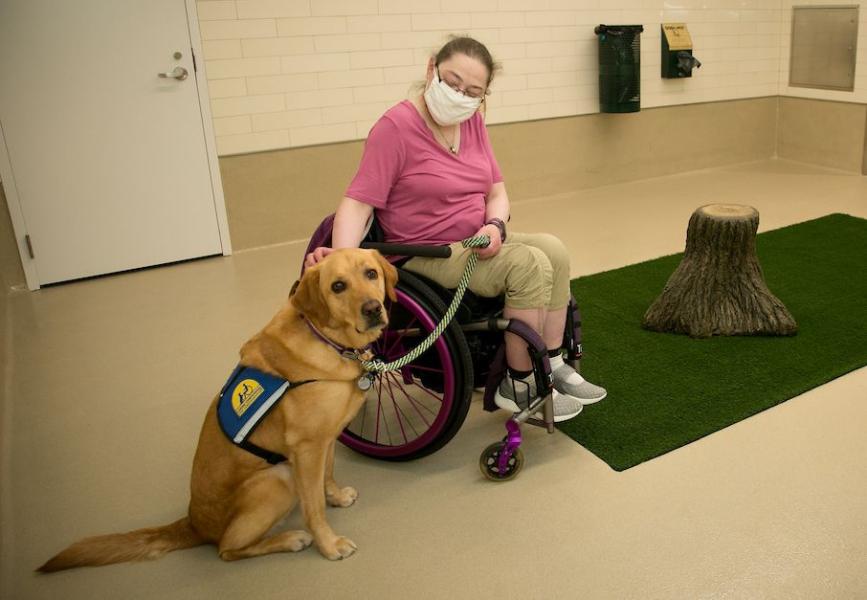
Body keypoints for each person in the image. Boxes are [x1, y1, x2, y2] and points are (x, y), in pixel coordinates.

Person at [305, 36, 606, 422]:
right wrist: (345, 261)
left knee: (554, 249)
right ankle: (518, 382)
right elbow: (358, 202)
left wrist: (496, 224)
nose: (460, 96)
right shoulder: (395, 127)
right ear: (431, 69)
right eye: (453, 82)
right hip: (426, 252)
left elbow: (497, 192)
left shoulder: (473, 121)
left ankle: (551, 360)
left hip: (475, 239)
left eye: (473, 92)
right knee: (529, 264)